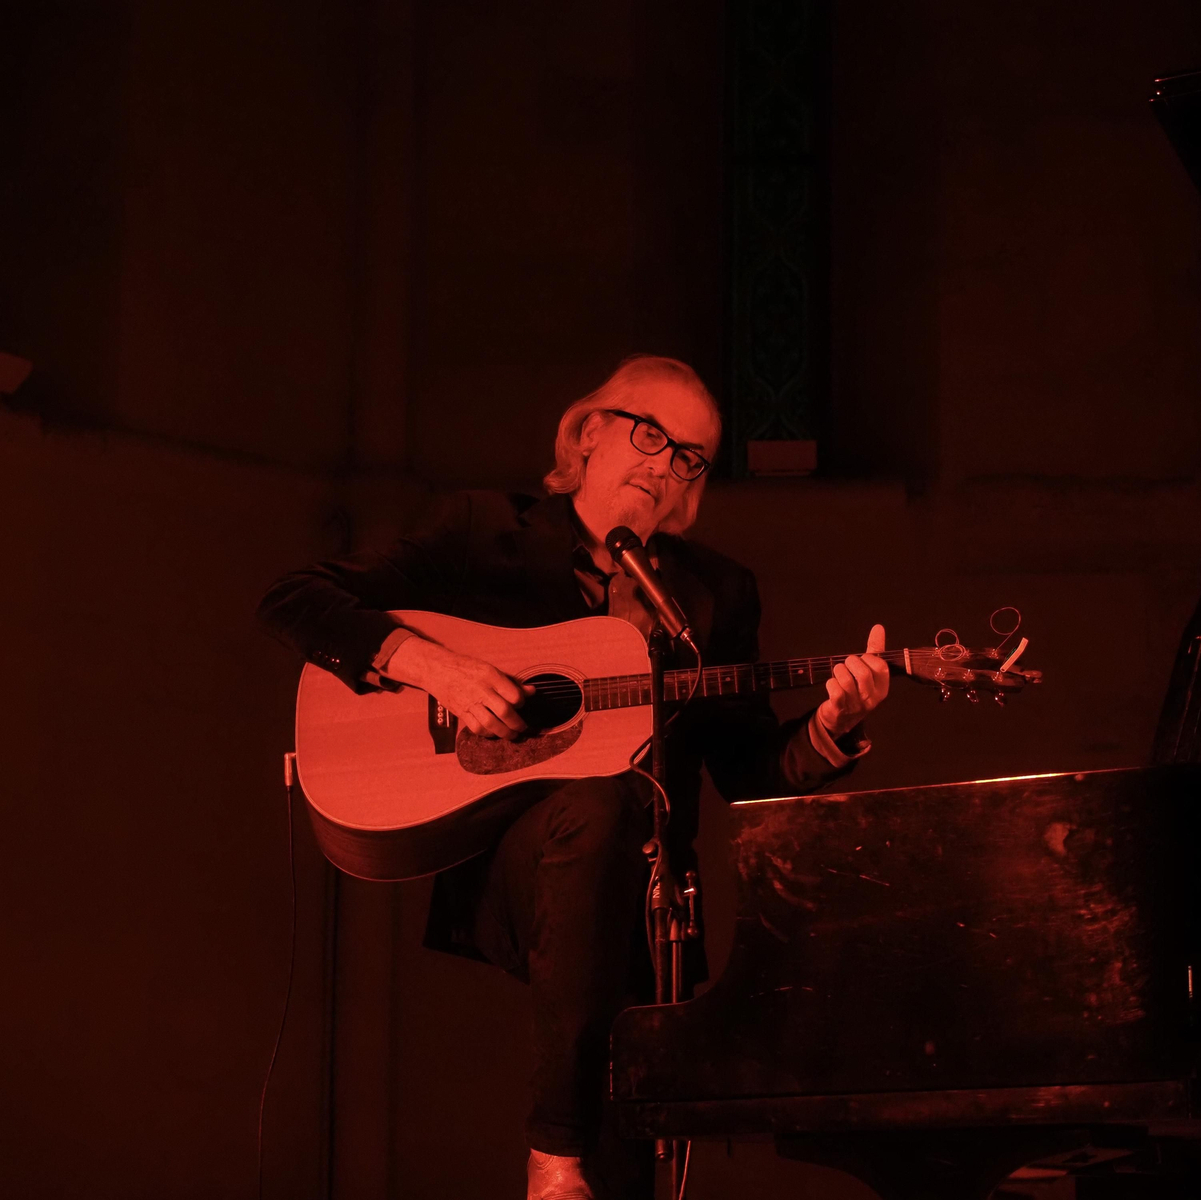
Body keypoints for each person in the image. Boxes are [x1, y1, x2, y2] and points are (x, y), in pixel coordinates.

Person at [257, 355, 889, 1199]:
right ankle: (551, 1154)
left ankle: (583, 1167)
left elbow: (747, 773)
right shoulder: (487, 530)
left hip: (643, 889)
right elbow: (297, 598)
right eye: (651, 435)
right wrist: (434, 668)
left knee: (625, 1146)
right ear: (589, 434)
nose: (666, 465)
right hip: (519, 848)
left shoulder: (715, 593)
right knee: (596, 802)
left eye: (690, 457)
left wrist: (830, 726)